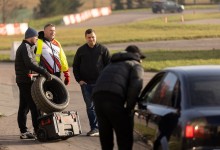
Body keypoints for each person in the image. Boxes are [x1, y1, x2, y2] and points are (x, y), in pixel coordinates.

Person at [92, 45, 145, 150]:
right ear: (137, 55)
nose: (141, 61)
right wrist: (129, 108)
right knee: (124, 135)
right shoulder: (135, 65)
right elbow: (135, 87)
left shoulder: (112, 63)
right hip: (113, 98)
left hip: (97, 98)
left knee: (106, 135)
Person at [15, 27, 52, 139]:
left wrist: (40, 70)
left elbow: (34, 62)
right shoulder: (25, 47)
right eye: (36, 37)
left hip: (25, 80)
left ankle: (24, 131)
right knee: (33, 105)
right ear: (30, 37)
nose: (37, 39)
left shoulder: (29, 46)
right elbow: (30, 64)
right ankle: (37, 130)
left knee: (24, 106)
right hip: (25, 81)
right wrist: (45, 72)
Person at [72, 28, 111, 136]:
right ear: (85, 38)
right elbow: (75, 66)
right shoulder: (81, 50)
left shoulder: (103, 49)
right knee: (90, 107)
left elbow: (109, 66)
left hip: (100, 84)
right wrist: (79, 80)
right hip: (86, 85)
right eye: (89, 37)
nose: (91, 39)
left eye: (93, 37)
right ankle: (94, 128)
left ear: (96, 37)